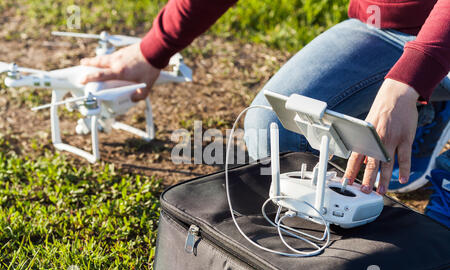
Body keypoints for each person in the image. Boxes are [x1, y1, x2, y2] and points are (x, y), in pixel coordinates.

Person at [80, 0, 449, 213]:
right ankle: (431, 109)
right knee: (273, 126)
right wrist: (153, 50)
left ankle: (426, 105)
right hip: (387, 27)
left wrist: (408, 83)